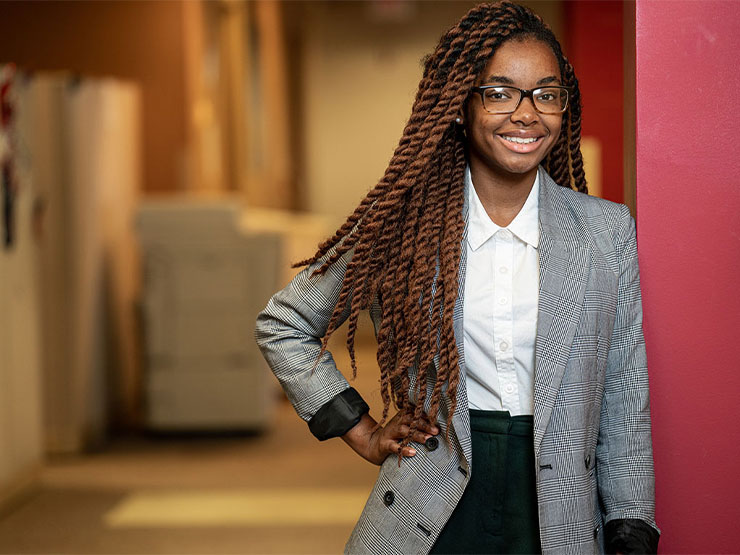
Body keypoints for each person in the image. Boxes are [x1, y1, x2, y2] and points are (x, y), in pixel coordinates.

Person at [255, 2, 659, 553]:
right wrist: (362, 430)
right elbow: (285, 322)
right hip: (433, 507)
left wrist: (631, 523)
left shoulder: (605, 232)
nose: (526, 113)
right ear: (458, 108)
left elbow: (624, 391)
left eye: (546, 93)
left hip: (559, 516)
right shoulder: (405, 226)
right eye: (499, 93)